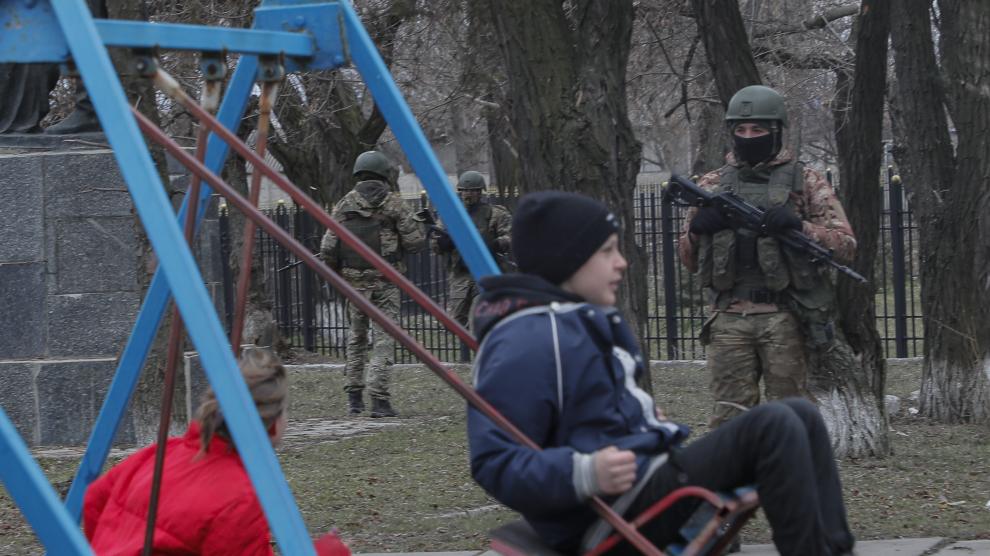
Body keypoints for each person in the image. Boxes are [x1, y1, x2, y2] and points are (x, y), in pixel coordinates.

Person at [467, 191, 855, 555]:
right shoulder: (527, 339)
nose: (621, 262)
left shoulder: (573, 322)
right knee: (774, 426)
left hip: (644, 483)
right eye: (607, 252)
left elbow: (589, 415)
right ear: (566, 258)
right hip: (610, 512)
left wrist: (642, 424)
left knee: (800, 415)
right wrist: (585, 472)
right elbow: (494, 461)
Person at [678, 85, 857, 428]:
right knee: (730, 418)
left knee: (791, 417)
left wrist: (801, 227)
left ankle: (791, 480)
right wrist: (698, 229)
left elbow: (846, 245)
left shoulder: (806, 180)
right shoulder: (713, 184)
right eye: (741, 130)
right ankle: (735, 482)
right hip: (728, 318)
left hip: (785, 317)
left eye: (758, 130)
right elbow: (688, 259)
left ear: (776, 131)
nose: (748, 137)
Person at [83, 348, 351, 555]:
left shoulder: (161, 453)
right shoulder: (240, 498)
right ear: (271, 424)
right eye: (285, 410)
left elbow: (95, 498)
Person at [320, 150, 425, 417]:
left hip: (354, 285)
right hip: (385, 283)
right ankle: (378, 398)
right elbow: (414, 243)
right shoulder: (394, 204)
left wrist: (340, 275)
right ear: (384, 174)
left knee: (356, 339)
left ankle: (354, 398)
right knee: (384, 339)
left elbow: (328, 247)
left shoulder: (344, 205)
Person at [431, 170, 513, 329]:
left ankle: (480, 348)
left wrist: (494, 244)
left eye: (473, 190)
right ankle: (466, 351)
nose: (468, 194)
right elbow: (436, 242)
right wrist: (443, 243)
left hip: (486, 271)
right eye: (465, 190)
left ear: (480, 192)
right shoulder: (450, 215)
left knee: (481, 316)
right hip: (460, 273)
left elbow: (510, 237)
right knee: (457, 320)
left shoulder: (495, 213)